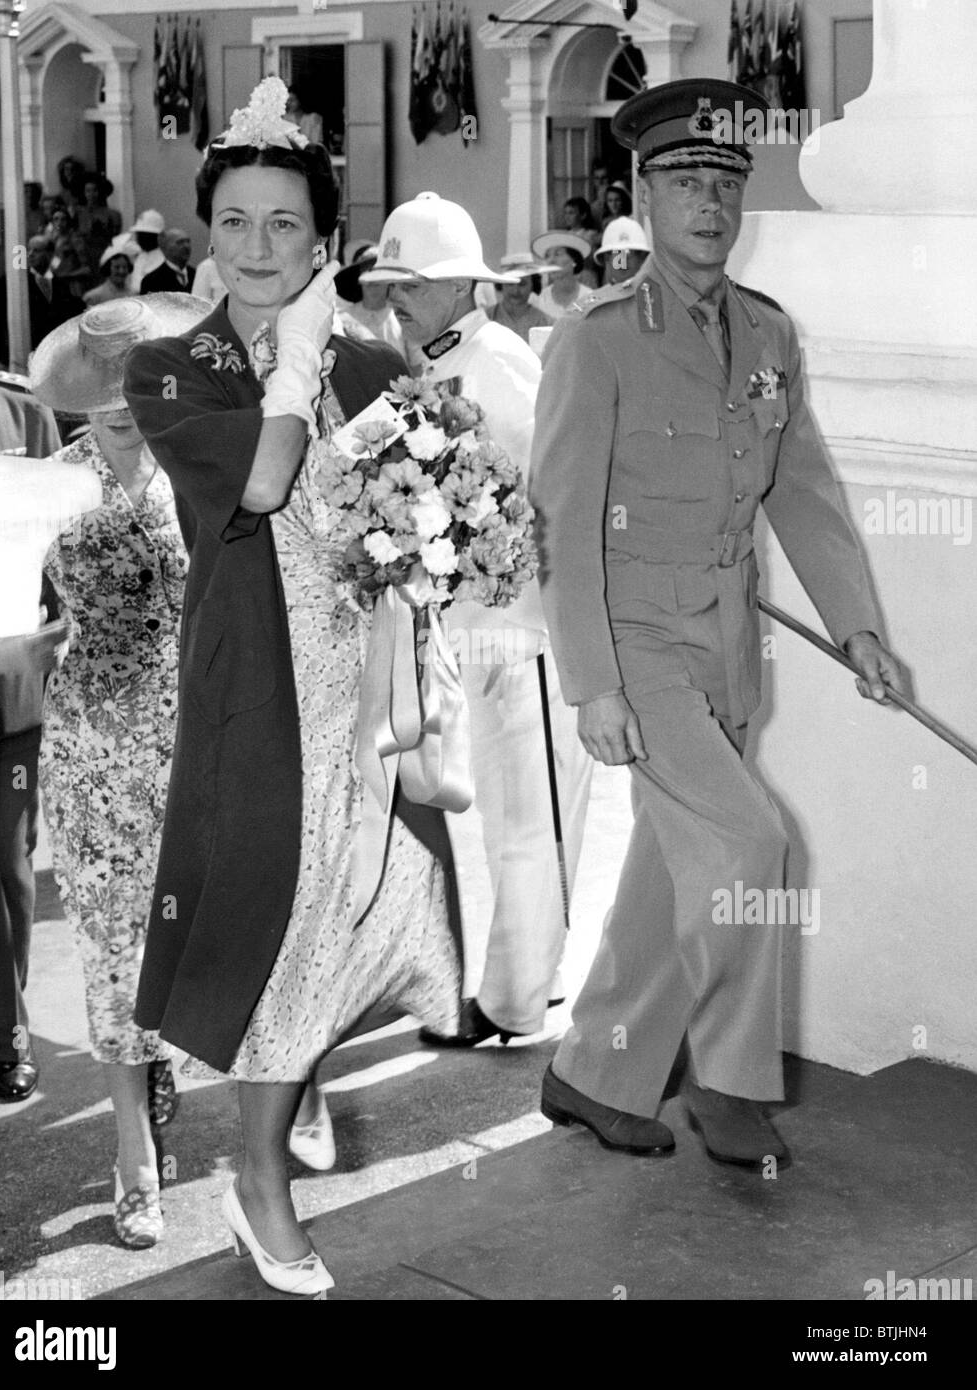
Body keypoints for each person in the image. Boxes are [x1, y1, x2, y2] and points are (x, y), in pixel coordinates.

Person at [122, 78, 462, 1296]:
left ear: (323, 243)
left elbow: (445, 503)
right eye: (235, 223)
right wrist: (297, 366)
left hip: (371, 693)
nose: (258, 248)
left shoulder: (374, 361)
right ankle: (258, 1177)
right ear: (205, 235)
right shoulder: (169, 368)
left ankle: (290, 1078)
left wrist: (440, 496)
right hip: (258, 697)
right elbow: (265, 487)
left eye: (284, 227)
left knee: (374, 914)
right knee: (283, 920)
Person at [530, 79, 905, 1167]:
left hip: (728, 645)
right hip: (635, 641)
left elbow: (806, 489)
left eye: (724, 183)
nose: (708, 203)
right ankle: (730, 1085)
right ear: (640, 196)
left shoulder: (768, 334)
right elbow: (557, 520)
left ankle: (589, 1070)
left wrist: (859, 630)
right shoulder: (594, 340)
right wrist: (592, 681)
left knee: (668, 864)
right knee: (749, 840)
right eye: (685, 182)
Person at [366, 193, 592, 1049]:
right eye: (390, 281)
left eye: (411, 283)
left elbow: (554, 486)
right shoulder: (423, 360)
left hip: (525, 623)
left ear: (463, 287)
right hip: (473, 625)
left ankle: (511, 1002)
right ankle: (536, 976)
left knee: (529, 817)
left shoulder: (497, 362)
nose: (395, 297)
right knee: (510, 814)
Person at [25, 294, 206, 1248]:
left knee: (176, 944)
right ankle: (136, 1171)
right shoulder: (49, 485)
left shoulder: (198, 470)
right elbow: (15, 606)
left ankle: (160, 1050)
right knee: (109, 957)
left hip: (186, 743)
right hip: (90, 746)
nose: (120, 404)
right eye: (101, 389)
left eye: (136, 383)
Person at [0, 232, 63, 1104]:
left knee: (5, 869)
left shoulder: (20, 413)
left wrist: (52, 634)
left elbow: (61, 554)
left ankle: (6, 1036)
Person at [0, 235, 81, 367]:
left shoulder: (60, 285)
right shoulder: (9, 283)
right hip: (16, 359)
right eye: (29, 250)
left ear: (50, 254)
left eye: (37, 251)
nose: (31, 255)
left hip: (51, 360)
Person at [335, 243, 405, 356]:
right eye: (367, 271)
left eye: (378, 272)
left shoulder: (404, 320)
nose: (372, 279)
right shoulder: (340, 320)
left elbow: (417, 368)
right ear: (359, 278)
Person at [485, 253, 554, 343]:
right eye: (510, 283)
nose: (515, 291)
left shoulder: (545, 322)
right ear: (501, 284)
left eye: (522, 284)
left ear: (532, 285)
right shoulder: (486, 318)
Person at [532, 229, 593, 319]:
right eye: (547, 256)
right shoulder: (542, 300)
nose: (551, 260)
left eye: (558, 254)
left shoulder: (589, 297)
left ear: (574, 260)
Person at [75, 174, 122, 271]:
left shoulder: (113, 215)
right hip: (83, 259)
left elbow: (115, 239)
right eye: (88, 191)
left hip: (103, 256)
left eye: (95, 190)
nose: (91, 194)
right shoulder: (78, 213)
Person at [46, 207, 93, 302]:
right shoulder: (55, 239)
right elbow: (57, 260)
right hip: (58, 285)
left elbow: (86, 269)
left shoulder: (75, 239)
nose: (59, 223)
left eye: (63, 219)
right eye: (56, 219)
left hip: (74, 286)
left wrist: (67, 275)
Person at [594, 216, 650, 286]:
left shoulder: (657, 294)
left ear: (642, 257)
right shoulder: (598, 296)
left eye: (627, 252)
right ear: (607, 258)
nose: (623, 260)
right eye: (618, 252)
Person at [83, 238, 139, 307]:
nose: (121, 271)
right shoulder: (94, 297)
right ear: (107, 269)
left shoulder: (134, 294)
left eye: (125, 267)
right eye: (117, 267)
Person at [140, 229, 195, 294]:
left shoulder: (196, 275)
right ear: (164, 248)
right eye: (180, 242)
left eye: (188, 241)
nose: (186, 246)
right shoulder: (152, 281)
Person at [126, 211, 166, 293]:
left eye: (144, 234)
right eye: (139, 234)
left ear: (156, 236)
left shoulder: (164, 260)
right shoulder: (139, 256)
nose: (139, 238)